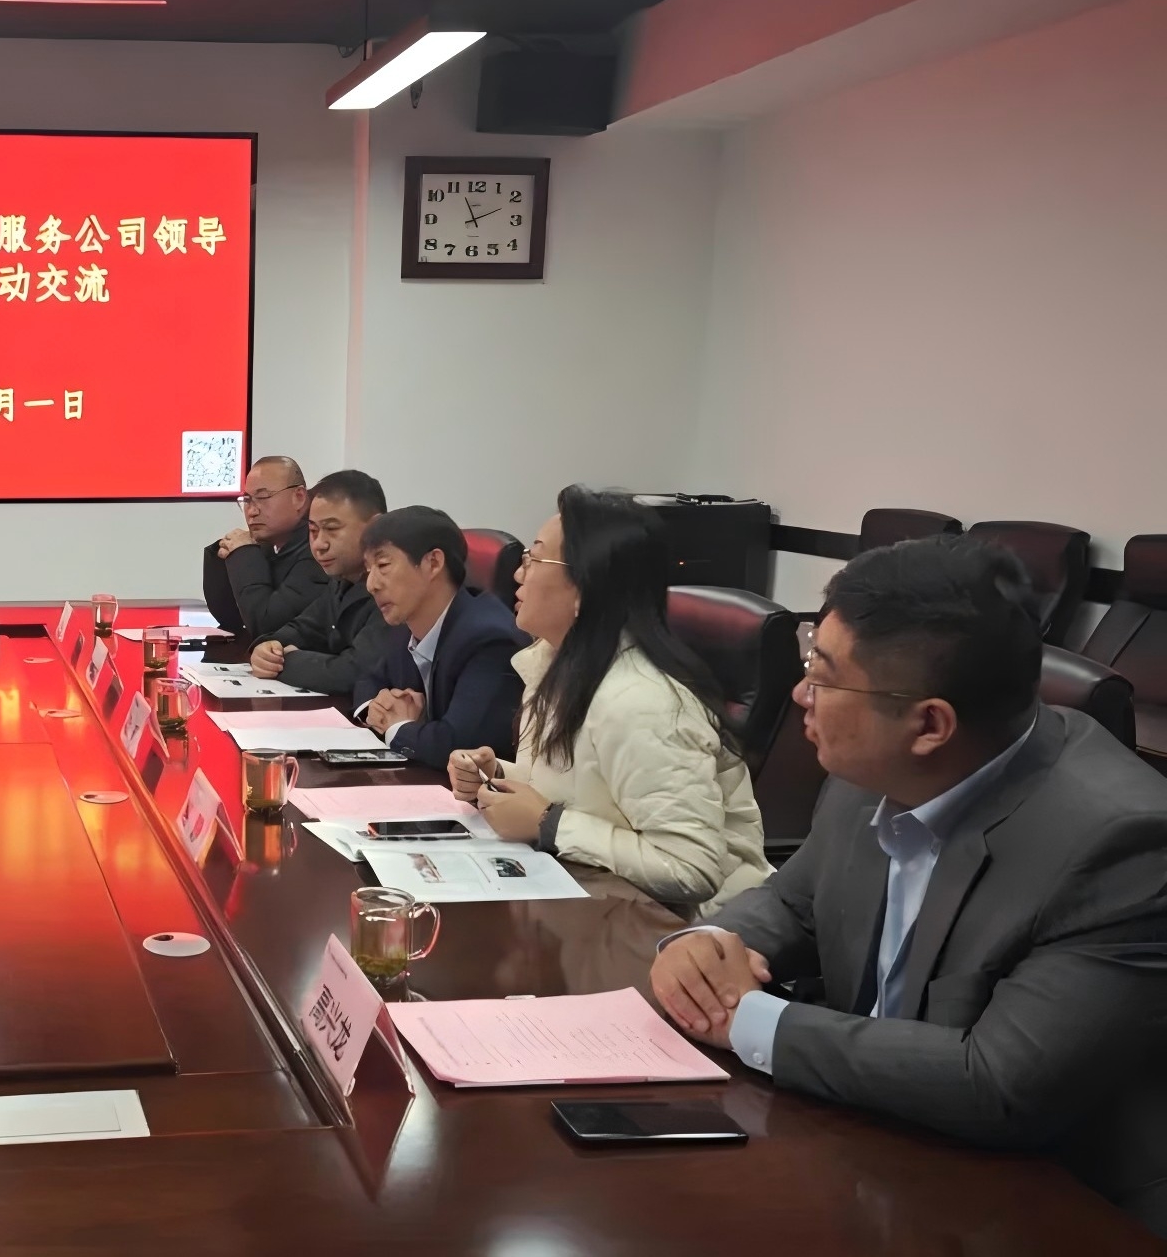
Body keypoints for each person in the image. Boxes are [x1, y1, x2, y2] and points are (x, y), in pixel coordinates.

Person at [648, 536, 1167, 1233]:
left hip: (1048, 1200)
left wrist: (743, 1018)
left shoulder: (1123, 844)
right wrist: (707, 944)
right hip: (869, 1142)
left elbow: (997, 1083)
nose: (800, 694)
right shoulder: (872, 766)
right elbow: (795, 900)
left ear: (929, 724)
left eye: (823, 674)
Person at [447, 488, 771, 918]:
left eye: (535, 559)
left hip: (684, 931)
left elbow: (692, 868)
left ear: (585, 588)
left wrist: (548, 824)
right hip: (596, 903)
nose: (518, 575)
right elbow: (585, 786)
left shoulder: (643, 703)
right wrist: (498, 776)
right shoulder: (554, 662)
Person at [351, 506, 526, 769]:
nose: (371, 584)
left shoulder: (490, 639)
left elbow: (458, 746)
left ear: (433, 563)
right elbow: (369, 680)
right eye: (368, 569)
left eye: (383, 565)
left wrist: (397, 727)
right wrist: (375, 711)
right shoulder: (406, 624)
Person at [248, 469, 392, 695]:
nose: (318, 544)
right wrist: (266, 649)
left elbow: (356, 673)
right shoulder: (340, 581)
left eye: (332, 529)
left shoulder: (392, 587)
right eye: (313, 531)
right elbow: (301, 629)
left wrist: (288, 661)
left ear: (374, 527)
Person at [200, 456, 329, 644]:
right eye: (247, 500)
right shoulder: (269, 546)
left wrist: (244, 553)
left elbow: (266, 628)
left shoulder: (318, 553)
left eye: (262, 497)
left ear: (299, 497)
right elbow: (231, 620)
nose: (251, 511)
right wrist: (230, 551)